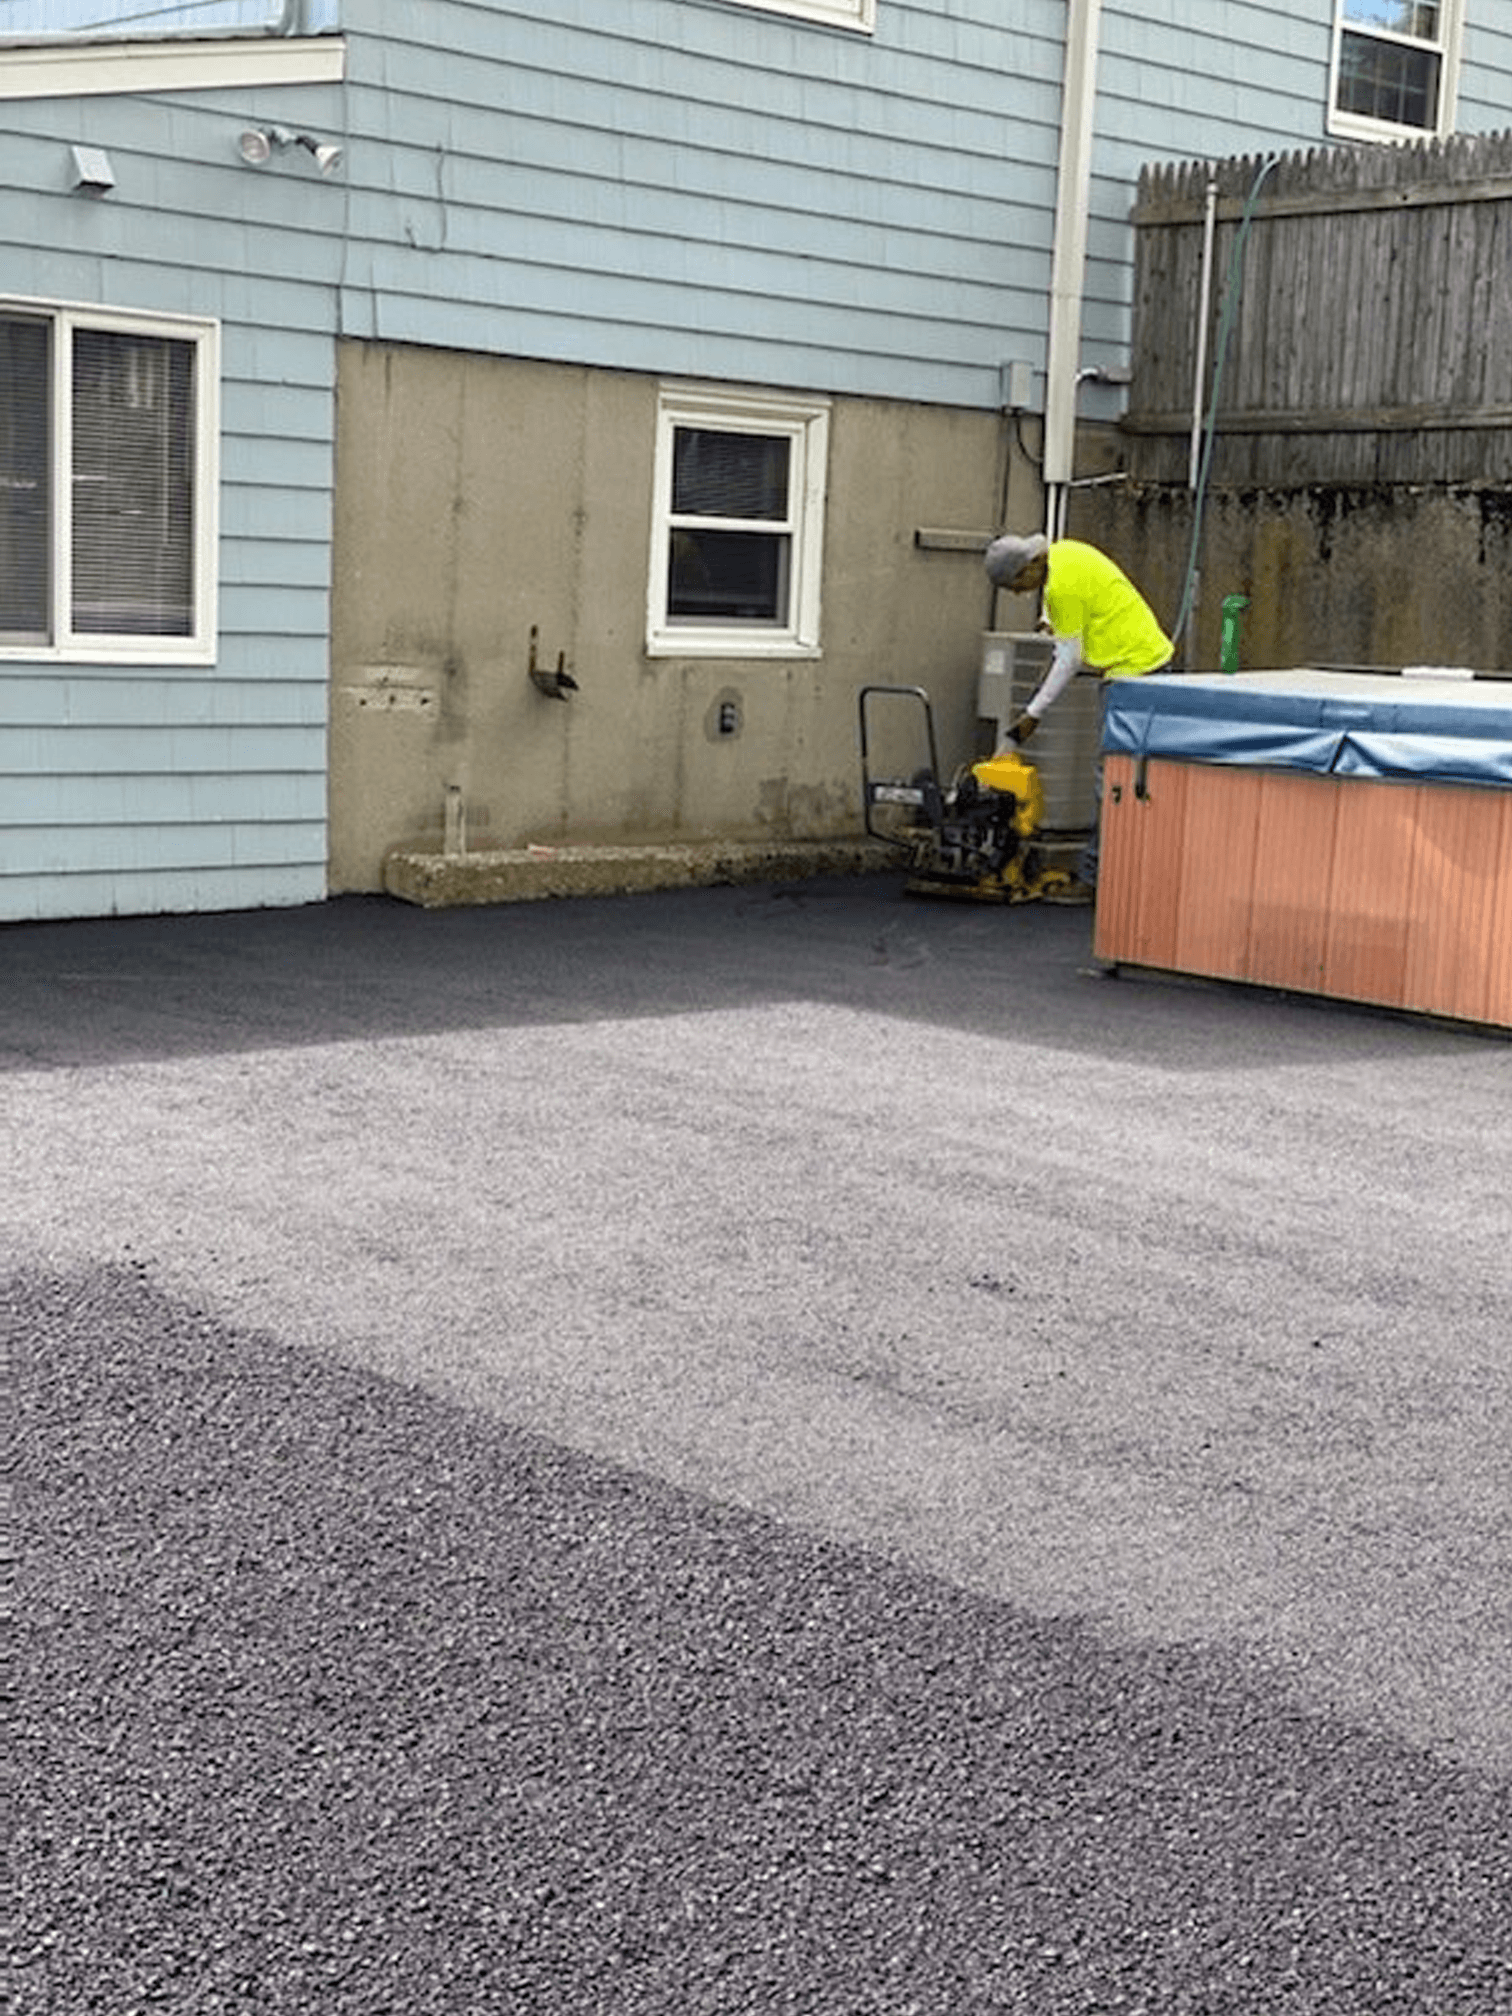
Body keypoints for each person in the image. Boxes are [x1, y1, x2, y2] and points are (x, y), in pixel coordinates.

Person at [984, 532, 1173, 902]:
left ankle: (1095, 878)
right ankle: (1125, 875)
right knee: (1134, 778)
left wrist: (1032, 714)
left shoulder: (1060, 590)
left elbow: (1069, 660)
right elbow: (1083, 616)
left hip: (1133, 673)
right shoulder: (1067, 553)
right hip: (1148, 665)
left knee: (1114, 781)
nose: (1021, 594)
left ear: (1031, 566)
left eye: (1017, 585)